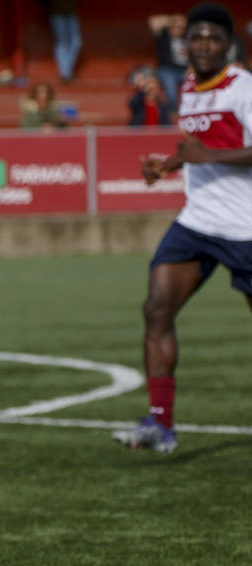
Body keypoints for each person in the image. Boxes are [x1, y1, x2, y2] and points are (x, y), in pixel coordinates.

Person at [114, 3, 252, 454]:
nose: (205, 45)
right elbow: (202, 144)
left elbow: (213, 151)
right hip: (197, 222)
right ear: (185, 44)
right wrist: (168, 166)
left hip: (245, 227)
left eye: (214, 38)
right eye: (197, 37)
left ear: (228, 44)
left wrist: (202, 157)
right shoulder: (190, 86)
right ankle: (160, 425)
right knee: (156, 309)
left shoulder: (244, 87)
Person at [150, 14, 190, 109]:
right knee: (171, 89)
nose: (177, 29)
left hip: (184, 70)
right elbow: (153, 21)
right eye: (175, 26)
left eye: (181, 27)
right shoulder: (164, 36)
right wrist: (173, 20)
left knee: (194, 84)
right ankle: (172, 113)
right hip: (167, 69)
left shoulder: (187, 38)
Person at [47, 0, 83, 84]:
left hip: (72, 12)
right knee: (62, 43)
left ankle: (67, 72)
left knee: (76, 42)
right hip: (57, 13)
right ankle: (65, 74)